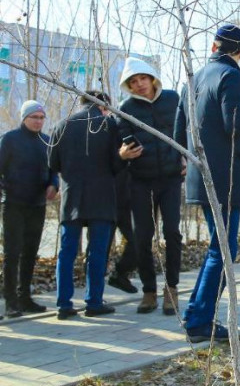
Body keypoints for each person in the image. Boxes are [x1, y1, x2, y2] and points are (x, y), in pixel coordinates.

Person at [174, 24, 240, 342]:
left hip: (198, 175)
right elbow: (237, 124)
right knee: (223, 249)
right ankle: (199, 321)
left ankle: (195, 315)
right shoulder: (231, 76)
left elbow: (180, 124)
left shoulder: (194, 77)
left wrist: (185, 163)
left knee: (219, 248)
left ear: (214, 46)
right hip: (224, 178)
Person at [48, 91, 141, 320]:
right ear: (104, 106)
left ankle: (64, 305)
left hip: (72, 199)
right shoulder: (109, 125)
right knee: (97, 253)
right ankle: (94, 302)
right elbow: (116, 162)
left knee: (66, 254)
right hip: (102, 198)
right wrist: (122, 157)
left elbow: (53, 163)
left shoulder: (62, 125)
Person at [118, 57, 184, 315]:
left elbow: (188, 130)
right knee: (142, 237)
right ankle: (149, 291)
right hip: (140, 181)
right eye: (133, 82)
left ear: (151, 78)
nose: (139, 85)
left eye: (142, 78)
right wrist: (122, 154)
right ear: (129, 86)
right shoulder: (126, 107)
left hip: (170, 178)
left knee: (173, 233)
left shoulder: (172, 99)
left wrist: (187, 157)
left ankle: (172, 290)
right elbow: (120, 142)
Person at [0, 100, 58, 318]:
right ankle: (11, 301)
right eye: (34, 117)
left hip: (38, 204)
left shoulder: (47, 141)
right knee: (12, 253)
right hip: (14, 203)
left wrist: (54, 184)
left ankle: (25, 297)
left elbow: (53, 169)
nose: (39, 121)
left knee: (30, 253)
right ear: (24, 118)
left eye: (42, 118)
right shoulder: (10, 139)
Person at [104, 171, 139, 295]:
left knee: (138, 241)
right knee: (100, 248)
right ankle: (93, 294)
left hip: (128, 198)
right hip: (105, 199)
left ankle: (120, 275)